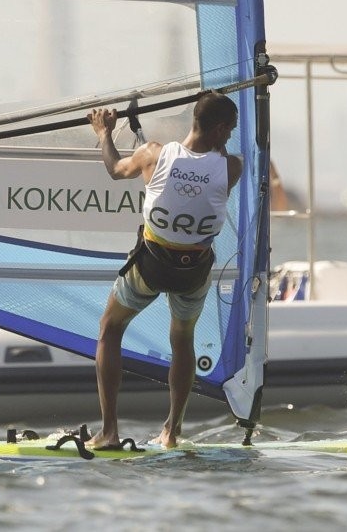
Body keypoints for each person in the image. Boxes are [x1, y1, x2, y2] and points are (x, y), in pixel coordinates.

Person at [89, 92, 242, 450]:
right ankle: (171, 432)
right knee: (182, 340)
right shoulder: (231, 168)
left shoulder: (153, 154)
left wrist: (104, 134)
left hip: (151, 267)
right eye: (230, 130)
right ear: (220, 129)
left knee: (110, 329)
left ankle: (109, 431)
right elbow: (210, 163)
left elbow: (115, 170)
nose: (231, 136)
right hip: (193, 273)